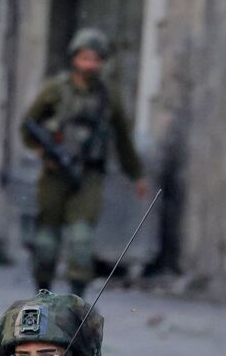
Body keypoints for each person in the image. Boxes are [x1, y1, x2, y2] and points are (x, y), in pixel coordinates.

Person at [21, 27, 148, 297]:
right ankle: (42, 295)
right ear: (74, 58)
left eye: (95, 59)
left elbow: (122, 138)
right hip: (54, 175)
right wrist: (44, 154)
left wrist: (136, 174)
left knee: (81, 240)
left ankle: (76, 301)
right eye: (84, 58)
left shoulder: (107, 97)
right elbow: (29, 126)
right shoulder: (55, 90)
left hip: (88, 177)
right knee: (46, 243)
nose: (89, 64)